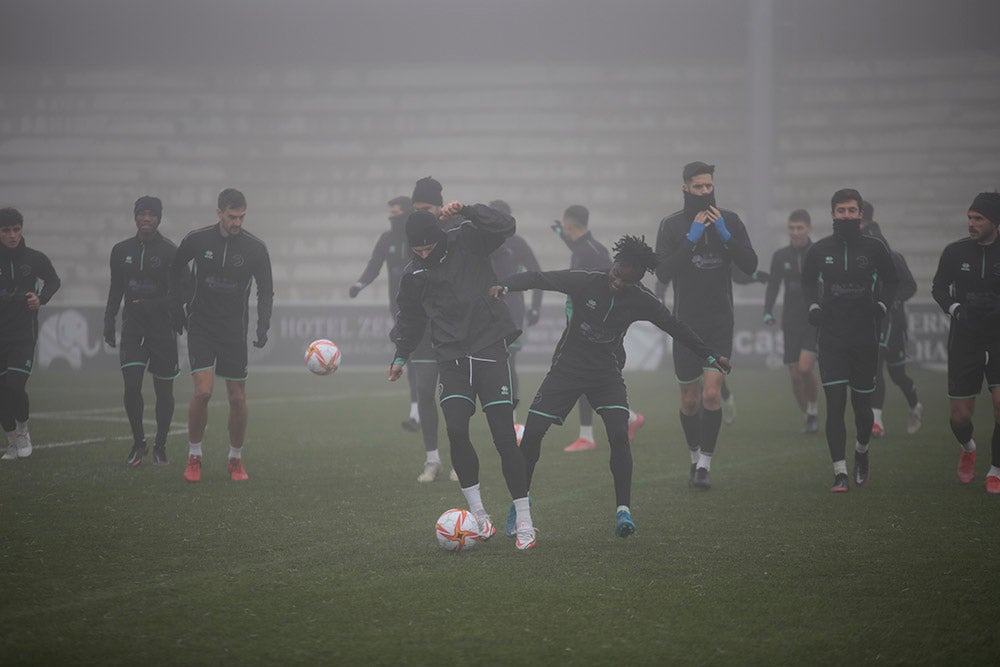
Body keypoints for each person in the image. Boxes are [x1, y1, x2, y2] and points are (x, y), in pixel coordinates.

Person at [493, 235, 730, 537]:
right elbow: (540, 277)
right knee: (533, 434)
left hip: (606, 374)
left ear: (638, 280)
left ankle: (623, 512)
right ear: (615, 264)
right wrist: (507, 285)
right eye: (617, 275)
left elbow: (675, 327)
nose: (618, 283)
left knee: (619, 434)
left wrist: (709, 354)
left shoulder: (641, 299)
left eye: (627, 282)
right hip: (567, 370)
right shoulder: (585, 281)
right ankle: (520, 504)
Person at [389, 201, 536, 550]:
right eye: (417, 249)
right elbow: (409, 319)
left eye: (429, 247)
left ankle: (526, 520)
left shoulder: (468, 238)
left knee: (503, 436)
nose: (424, 254)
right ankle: (480, 518)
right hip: (452, 356)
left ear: (440, 238)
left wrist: (469, 209)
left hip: (489, 348)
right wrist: (400, 354)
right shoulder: (413, 273)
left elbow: (505, 225)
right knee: (455, 429)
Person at [655, 161, 757, 489]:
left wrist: (726, 236)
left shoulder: (731, 221)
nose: (704, 192)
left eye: (708, 186)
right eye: (698, 187)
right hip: (684, 325)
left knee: (712, 396)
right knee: (690, 401)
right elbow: (663, 272)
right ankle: (694, 455)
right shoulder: (671, 226)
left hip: (719, 323)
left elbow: (750, 265)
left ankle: (704, 467)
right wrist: (691, 239)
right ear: (685, 188)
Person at [171, 188, 273, 482]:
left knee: (237, 398)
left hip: (233, 330)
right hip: (201, 325)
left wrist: (262, 324)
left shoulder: (255, 248)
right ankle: (194, 456)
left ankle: (235, 459)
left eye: (241, 217)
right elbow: (176, 267)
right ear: (219, 213)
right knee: (203, 392)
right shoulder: (197, 239)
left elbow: (266, 289)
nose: (237, 222)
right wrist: (179, 305)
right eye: (232, 217)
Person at [802, 189, 898, 493]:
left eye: (851, 210)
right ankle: (839, 472)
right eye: (841, 210)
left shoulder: (875, 247)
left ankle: (861, 451)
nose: (846, 215)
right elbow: (806, 282)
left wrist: (882, 304)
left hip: (864, 337)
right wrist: (813, 306)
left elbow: (893, 280)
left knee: (861, 407)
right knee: (835, 404)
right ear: (832, 214)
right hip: (831, 337)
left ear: (860, 214)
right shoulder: (818, 250)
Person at [552, 205, 645, 450]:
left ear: (569, 224)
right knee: (583, 374)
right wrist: (563, 237)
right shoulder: (588, 248)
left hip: (588, 323)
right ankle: (624, 421)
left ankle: (595, 433)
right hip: (581, 320)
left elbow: (602, 285)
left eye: (564, 226)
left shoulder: (590, 252)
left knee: (584, 373)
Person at [104, 196, 186, 466]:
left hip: (162, 328)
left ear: (159, 218)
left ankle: (160, 445)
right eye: (142, 214)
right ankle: (139, 443)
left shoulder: (171, 252)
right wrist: (108, 320)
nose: (147, 219)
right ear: (135, 217)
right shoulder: (120, 250)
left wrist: (155, 306)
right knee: (131, 386)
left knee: (164, 393)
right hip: (133, 328)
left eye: (152, 214)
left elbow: (181, 292)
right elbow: (116, 288)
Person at [931, 192, 1000, 493]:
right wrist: (955, 308)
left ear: (995, 222)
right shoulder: (955, 252)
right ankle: (969, 447)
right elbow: (938, 287)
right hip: (965, 340)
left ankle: (996, 470)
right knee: (960, 418)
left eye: (978, 219)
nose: (971, 224)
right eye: (970, 217)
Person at [349, 196, 423, 434]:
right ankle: (416, 413)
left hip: (425, 308)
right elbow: (374, 265)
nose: (391, 216)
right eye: (390, 212)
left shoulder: (418, 237)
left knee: (426, 360)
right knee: (410, 358)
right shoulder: (386, 239)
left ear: (405, 214)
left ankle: (426, 410)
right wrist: (360, 284)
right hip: (399, 310)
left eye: (395, 212)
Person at [0, 207, 60, 460]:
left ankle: (23, 430)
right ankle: (11, 441)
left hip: (24, 333)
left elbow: (54, 281)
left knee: (15, 386)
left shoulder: (35, 259)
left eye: (16, 229)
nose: (12, 235)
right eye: (6, 231)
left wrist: (41, 298)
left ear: (21, 229)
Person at [860, 201, 921, 437]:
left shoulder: (889, 253)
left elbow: (910, 286)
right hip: (873, 319)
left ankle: (915, 404)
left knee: (896, 374)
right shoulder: (861, 252)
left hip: (892, 321)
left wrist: (892, 300)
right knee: (876, 366)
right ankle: (876, 421)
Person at [762, 209, 820, 434]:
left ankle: (814, 410)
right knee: (795, 376)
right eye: (792, 228)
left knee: (805, 369)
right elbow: (774, 285)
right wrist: (768, 311)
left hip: (813, 319)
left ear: (809, 229)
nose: (795, 232)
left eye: (800, 228)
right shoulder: (781, 256)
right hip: (790, 321)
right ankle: (808, 417)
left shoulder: (818, 253)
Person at [487, 199, 543, 434]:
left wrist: (536, 307)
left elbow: (536, 274)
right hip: (484, 313)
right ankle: (496, 415)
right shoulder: (480, 241)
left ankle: (511, 419)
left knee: (508, 363)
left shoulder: (517, 244)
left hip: (512, 313)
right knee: (489, 366)